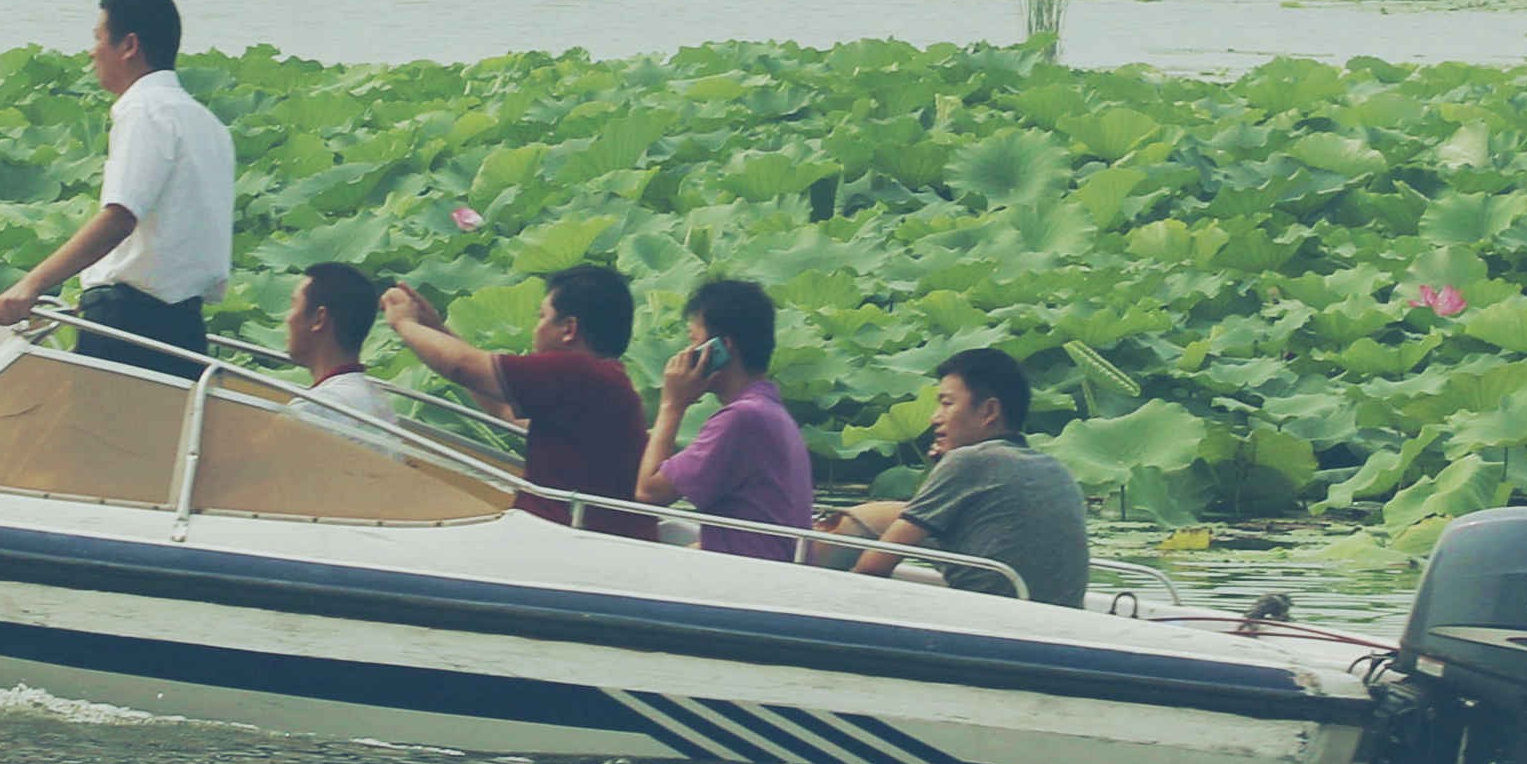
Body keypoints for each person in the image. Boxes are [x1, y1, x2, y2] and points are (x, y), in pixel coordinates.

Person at [0, 0, 233, 374]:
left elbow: (120, 217)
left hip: (127, 323)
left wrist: (31, 284)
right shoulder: (210, 125)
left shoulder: (144, 110)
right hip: (186, 327)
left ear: (128, 45)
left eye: (99, 38)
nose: (91, 52)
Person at [383, 261, 650, 537]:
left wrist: (403, 323)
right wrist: (435, 328)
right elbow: (504, 409)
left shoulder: (577, 371)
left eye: (542, 316)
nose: (536, 328)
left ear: (569, 329)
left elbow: (462, 366)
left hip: (569, 538)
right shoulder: (603, 379)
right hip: (567, 532)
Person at [830, 346, 1089, 605]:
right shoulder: (1058, 470)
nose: (935, 418)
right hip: (1056, 622)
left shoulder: (969, 461)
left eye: (946, 403)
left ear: (989, 412)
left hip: (989, 622)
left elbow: (874, 566)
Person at [637, 277, 810, 559]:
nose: (684, 354)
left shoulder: (742, 418)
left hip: (749, 577)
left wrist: (672, 405)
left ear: (721, 348)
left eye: (693, 341)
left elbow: (649, 492)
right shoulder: (771, 410)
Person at [283, 261, 404, 433]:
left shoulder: (312, 409)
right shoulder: (380, 402)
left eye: (294, 305)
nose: (287, 318)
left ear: (319, 319)